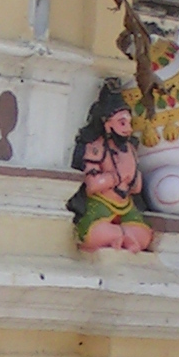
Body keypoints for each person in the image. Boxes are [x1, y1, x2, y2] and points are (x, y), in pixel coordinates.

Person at [68, 84, 155, 251]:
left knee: (143, 234)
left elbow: (136, 188)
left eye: (129, 123)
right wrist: (115, 178)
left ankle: (124, 237)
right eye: (122, 123)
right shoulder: (96, 147)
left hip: (125, 204)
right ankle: (117, 236)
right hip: (101, 202)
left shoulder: (130, 149)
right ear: (107, 124)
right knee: (93, 232)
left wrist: (132, 180)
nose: (128, 129)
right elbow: (91, 185)